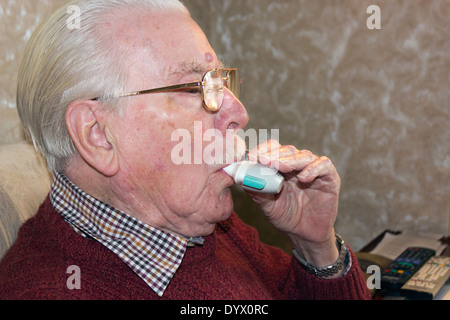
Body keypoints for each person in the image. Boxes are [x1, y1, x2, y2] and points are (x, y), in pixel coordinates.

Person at [0, 0, 371, 300]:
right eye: (194, 89)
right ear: (98, 134)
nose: (238, 114)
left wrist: (316, 248)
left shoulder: (201, 221)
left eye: (222, 83)